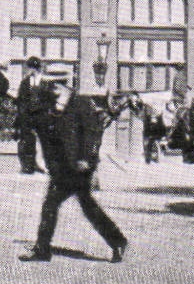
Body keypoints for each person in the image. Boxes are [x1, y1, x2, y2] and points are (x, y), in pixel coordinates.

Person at [19, 77, 128, 263]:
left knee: (76, 206)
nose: (54, 90)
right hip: (62, 169)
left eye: (57, 86)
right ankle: (117, 241)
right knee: (62, 206)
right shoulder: (52, 107)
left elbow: (92, 134)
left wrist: (87, 159)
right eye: (51, 86)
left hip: (78, 166)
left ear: (66, 86)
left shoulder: (81, 103)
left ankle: (43, 249)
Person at [14, 57, 48, 173]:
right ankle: (28, 166)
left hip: (41, 117)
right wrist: (23, 115)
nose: (28, 71)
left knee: (43, 142)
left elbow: (48, 101)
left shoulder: (45, 83)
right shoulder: (25, 83)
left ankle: (42, 165)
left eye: (30, 68)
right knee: (28, 141)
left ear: (36, 69)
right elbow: (21, 100)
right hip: (28, 117)